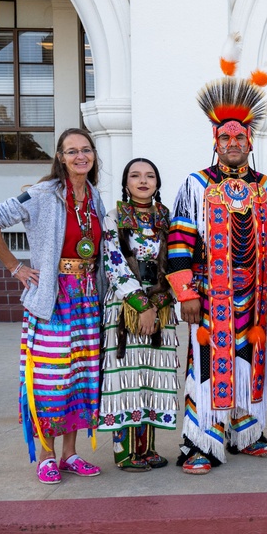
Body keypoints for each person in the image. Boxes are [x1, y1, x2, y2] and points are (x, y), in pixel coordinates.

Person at [166, 38, 267, 475]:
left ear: (251, 141)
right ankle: (201, 442)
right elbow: (178, 242)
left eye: (240, 136)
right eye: (225, 136)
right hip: (208, 295)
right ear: (215, 141)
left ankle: (245, 431)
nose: (233, 142)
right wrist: (185, 293)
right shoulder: (196, 184)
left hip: (253, 297)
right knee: (206, 367)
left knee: (248, 362)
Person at [0, 128, 106, 485]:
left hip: (86, 298)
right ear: (60, 158)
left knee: (81, 375)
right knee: (50, 377)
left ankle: (70, 454)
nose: (81, 156)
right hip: (53, 298)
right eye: (72, 151)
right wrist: (15, 267)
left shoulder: (95, 197)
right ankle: (47, 456)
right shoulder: (41, 194)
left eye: (86, 150)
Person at [98, 158, 179, 471]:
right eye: (135, 175)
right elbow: (114, 262)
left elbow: (177, 260)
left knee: (153, 375)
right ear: (126, 182)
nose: (143, 181)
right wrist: (141, 305)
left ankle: (148, 450)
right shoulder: (114, 216)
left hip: (162, 304)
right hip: (125, 305)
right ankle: (125, 454)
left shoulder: (167, 218)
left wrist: (159, 302)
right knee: (126, 378)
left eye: (149, 175)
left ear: (157, 182)